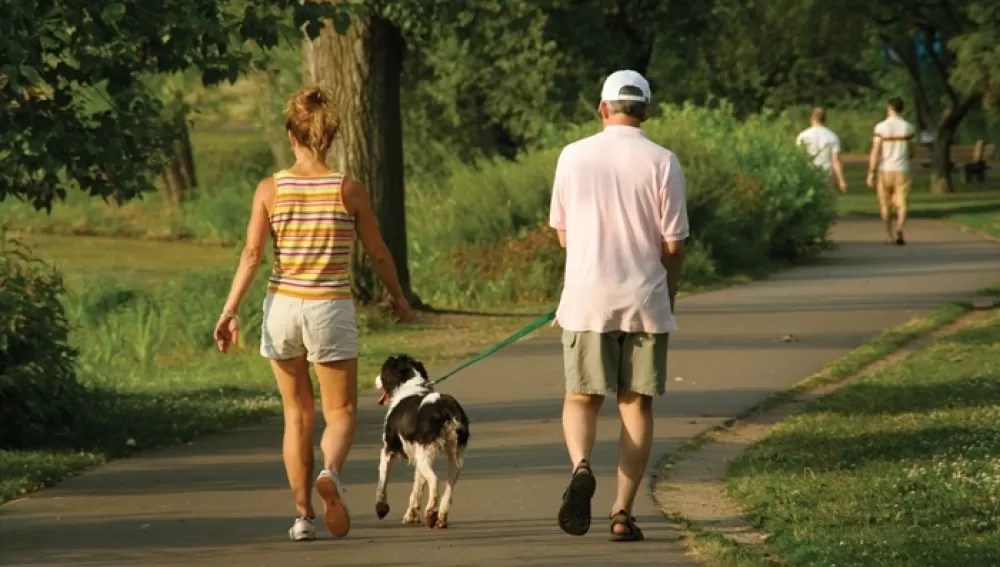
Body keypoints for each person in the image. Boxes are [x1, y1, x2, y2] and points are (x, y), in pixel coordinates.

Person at [213, 86, 411, 542]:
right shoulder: (349, 189)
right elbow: (378, 253)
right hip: (329, 307)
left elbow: (250, 254)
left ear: (291, 134)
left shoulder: (270, 189)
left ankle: (303, 516)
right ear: (331, 136)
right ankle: (331, 472)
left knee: (296, 414)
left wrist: (229, 311)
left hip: (281, 305)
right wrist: (397, 296)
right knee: (339, 410)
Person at [548, 70, 688, 542]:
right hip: (644, 299)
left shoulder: (572, 156)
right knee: (635, 404)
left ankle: (581, 465)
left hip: (586, 298)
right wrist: (672, 292)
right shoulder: (664, 161)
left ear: (603, 108)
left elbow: (564, 235)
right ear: (647, 110)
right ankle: (622, 513)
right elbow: (673, 245)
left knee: (581, 397)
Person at [866, 96, 916, 245]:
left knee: (884, 203)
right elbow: (913, 151)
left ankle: (889, 235)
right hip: (902, 168)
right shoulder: (908, 128)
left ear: (889, 108)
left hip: (884, 168)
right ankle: (900, 227)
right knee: (903, 202)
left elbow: (875, 151)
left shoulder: (881, 127)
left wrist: (871, 172)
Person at [795, 107, 848, 193]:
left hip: (808, 172)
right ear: (824, 119)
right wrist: (841, 180)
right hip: (826, 173)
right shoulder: (832, 136)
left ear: (812, 118)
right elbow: (836, 161)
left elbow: (799, 158)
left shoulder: (803, 136)